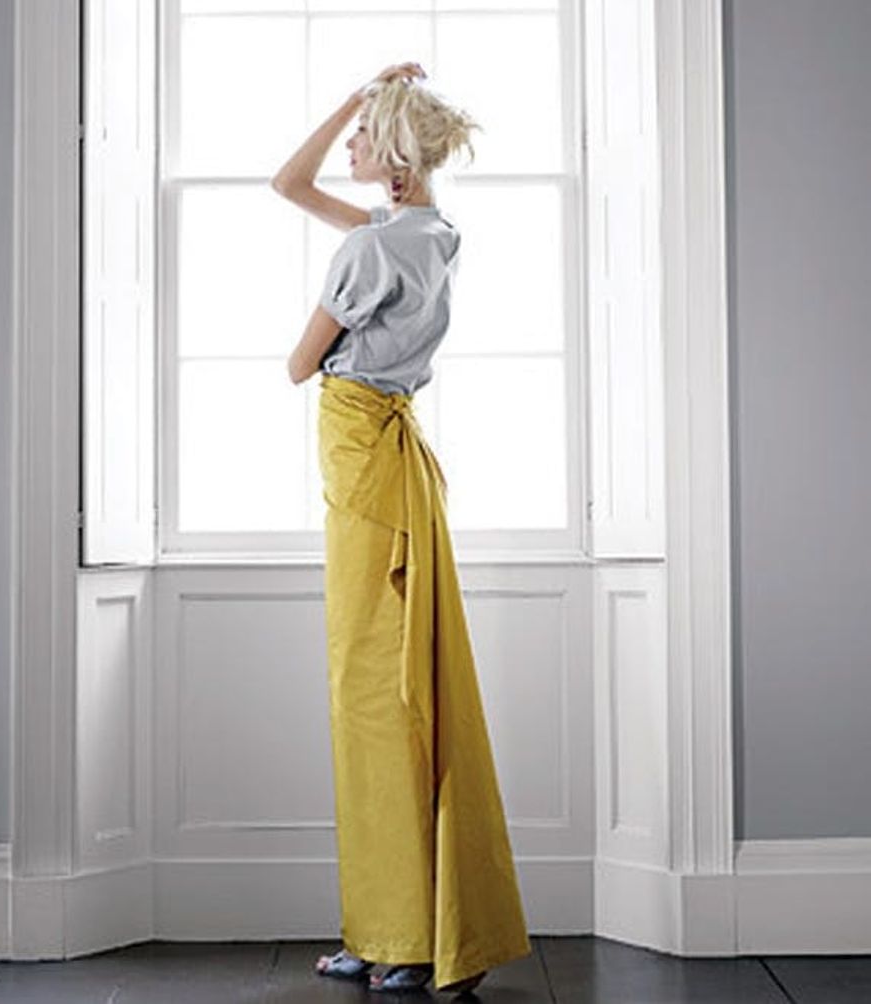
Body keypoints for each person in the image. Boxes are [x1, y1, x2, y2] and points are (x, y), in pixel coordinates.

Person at [272, 62, 531, 996]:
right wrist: (362, 96)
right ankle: (393, 926)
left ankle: (404, 938)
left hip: (364, 457)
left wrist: (362, 103)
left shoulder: (371, 249)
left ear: (394, 161)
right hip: (395, 456)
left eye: (363, 134)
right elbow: (292, 185)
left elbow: (300, 365)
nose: (347, 143)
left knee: (374, 699)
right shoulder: (432, 235)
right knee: (399, 691)